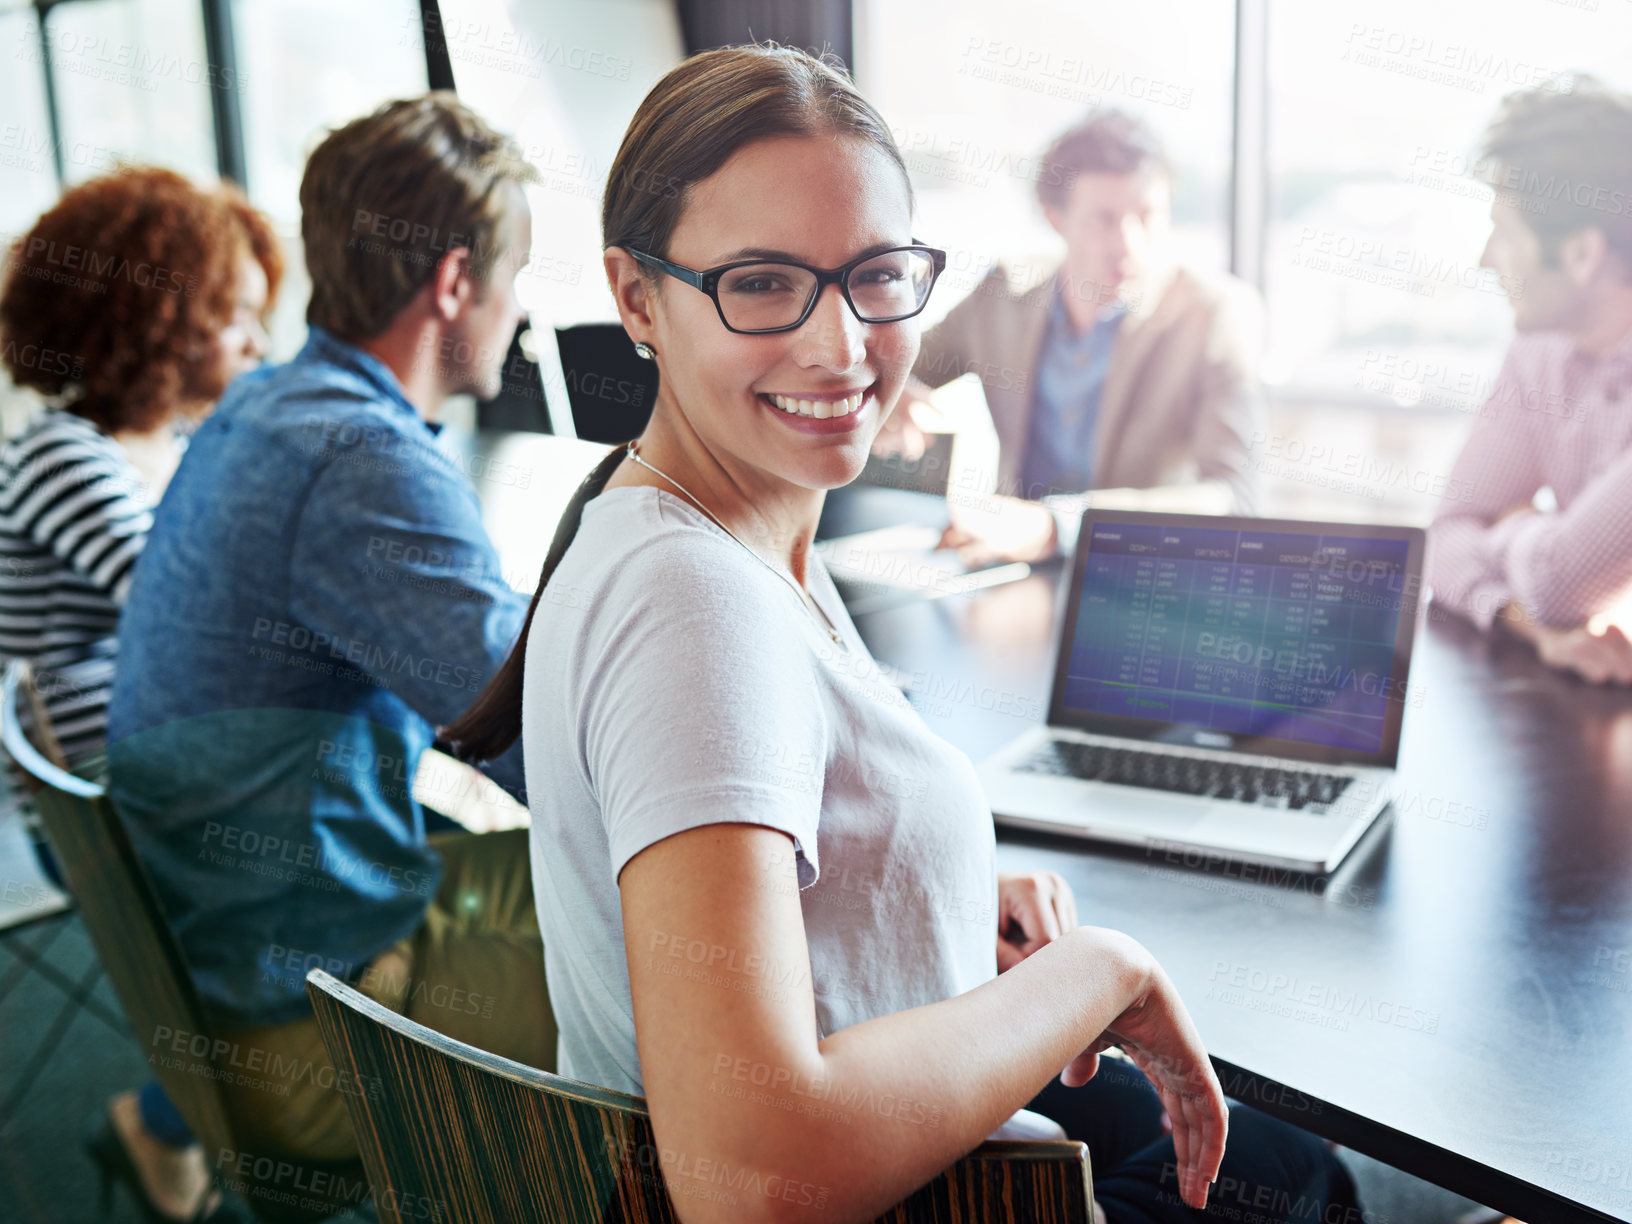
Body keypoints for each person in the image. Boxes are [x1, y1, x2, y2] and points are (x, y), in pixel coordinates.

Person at [443, 45, 1358, 1224]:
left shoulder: (689, 527)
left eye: (875, 275)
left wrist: (924, 887)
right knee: (1294, 1173)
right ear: (635, 298)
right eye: (763, 284)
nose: (841, 345)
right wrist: (1102, 970)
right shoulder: (696, 605)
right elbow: (752, 1181)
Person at [103, 93, 555, 1210]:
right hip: (320, 1035)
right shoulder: (363, 462)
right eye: (515, 277)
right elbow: (546, 753)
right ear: (455, 283)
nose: (520, 311)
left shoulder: (268, 406)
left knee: (627, 890)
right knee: (721, 956)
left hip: (241, 972)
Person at [0, 165, 282, 1224]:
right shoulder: (65, 456)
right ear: (157, 324)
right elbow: (185, 604)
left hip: (159, 783)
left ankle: (184, 1123)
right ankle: (169, 1124)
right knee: (321, 903)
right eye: (238, 321)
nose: (257, 346)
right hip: (104, 816)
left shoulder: (155, 450)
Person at [872, 109, 1264, 565]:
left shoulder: (1215, 313)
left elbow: (1235, 497)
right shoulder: (1004, 294)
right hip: (1009, 572)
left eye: (1148, 215)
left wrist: (1057, 527)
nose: (1129, 243)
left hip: (1139, 578)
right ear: (1055, 218)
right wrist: (885, 390)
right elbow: (899, 363)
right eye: (1104, 219)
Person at [1428, 76, 1632, 686]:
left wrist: (1512, 523)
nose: (1486, 259)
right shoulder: (1537, 349)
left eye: (1506, 232)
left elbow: (1562, 581)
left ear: (1581, 255)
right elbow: (1444, 538)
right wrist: (1530, 623)